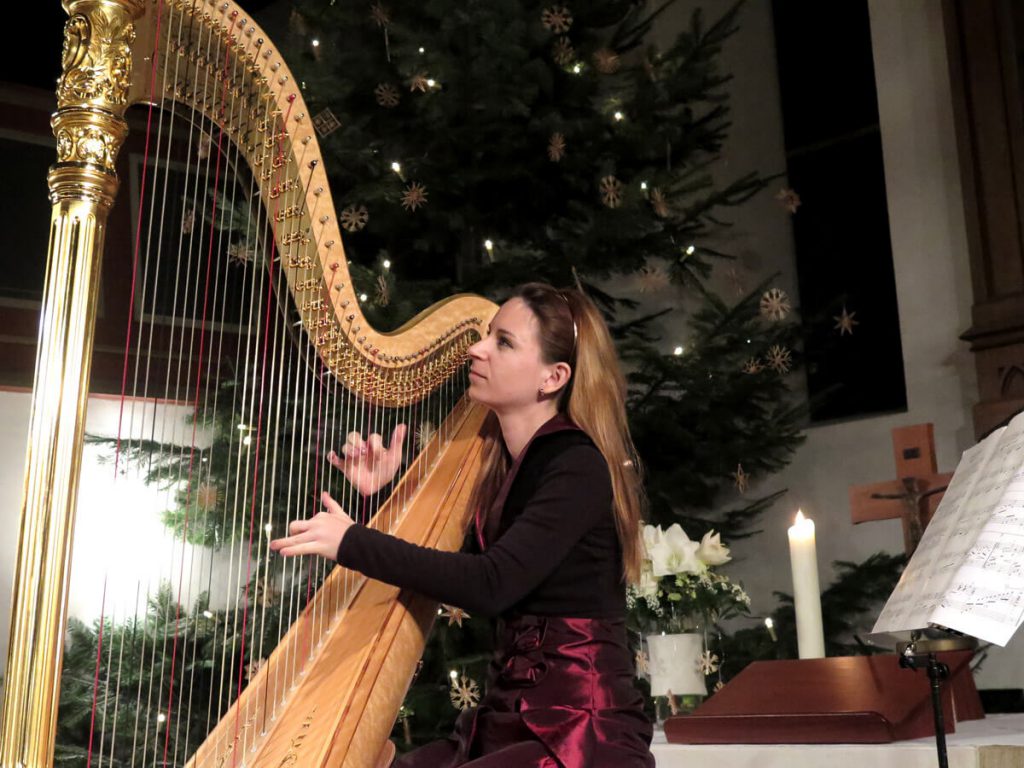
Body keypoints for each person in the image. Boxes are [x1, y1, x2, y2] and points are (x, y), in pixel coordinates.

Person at [270, 282, 656, 767]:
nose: (477, 348)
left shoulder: (576, 465)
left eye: (504, 342)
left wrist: (351, 542)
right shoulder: (507, 466)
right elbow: (457, 567)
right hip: (513, 718)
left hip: (576, 732)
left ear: (553, 377)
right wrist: (392, 493)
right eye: (488, 335)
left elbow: (490, 584)